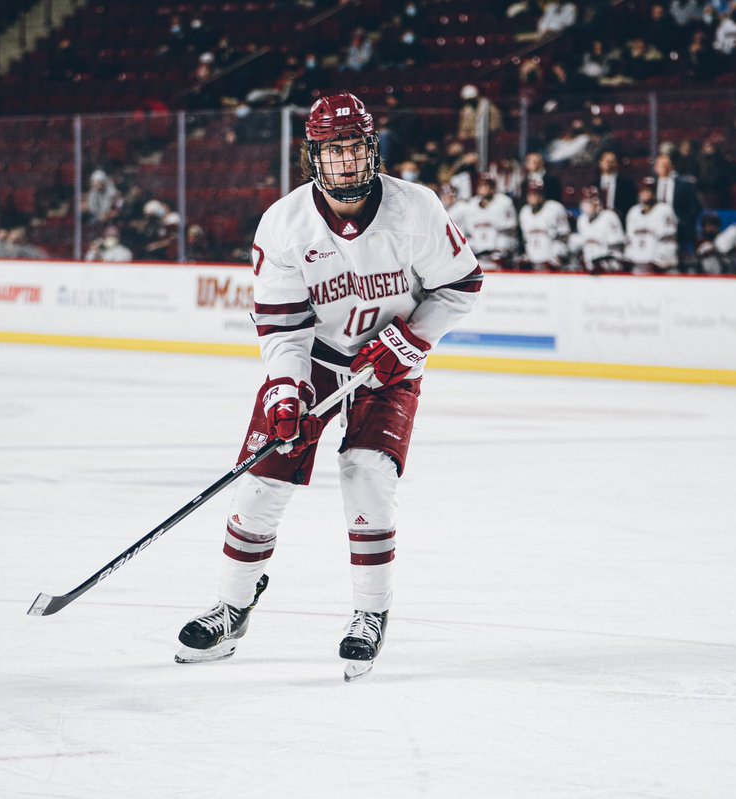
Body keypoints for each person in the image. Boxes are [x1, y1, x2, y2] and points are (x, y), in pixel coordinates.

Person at [175, 93, 482, 681]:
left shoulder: (415, 209)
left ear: (372, 150)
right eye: (334, 150)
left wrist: (413, 342)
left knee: (368, 476)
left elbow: (462, 284)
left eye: (355, 147)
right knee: (261, 483)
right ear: (313, 155)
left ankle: (370, 613)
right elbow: (282, 326)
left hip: (389, 363)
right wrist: (286, 390)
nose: (346, 160)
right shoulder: (284, 223)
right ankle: (232, 607)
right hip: (314, 359)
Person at [457, 172, 518, 271]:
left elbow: (512, 225)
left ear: (493, 187)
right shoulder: (471, 205)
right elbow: (469, 229)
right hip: (478, 253)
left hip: (499, 254)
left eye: (488, 185)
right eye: (482, 185)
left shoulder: (504, 202)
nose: (485, 188)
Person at [652, 154, 702, 268]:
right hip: (655, 232)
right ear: (655, 168)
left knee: (685, 265)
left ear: (672, 167)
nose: (664, 167)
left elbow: (695, 207)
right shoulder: (651, 187)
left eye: (666, 164)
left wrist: (683, 222)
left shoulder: (684, 185)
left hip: (681, 231)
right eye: (661, 165)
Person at [625, 177, 679, 274]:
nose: (645, 193)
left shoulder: (664, 210)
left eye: (649, 190)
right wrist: (629, 260)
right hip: (638, 267)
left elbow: (668, 242)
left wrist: (658, 263)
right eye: (643, 190)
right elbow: (629, 241)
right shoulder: (633, 212)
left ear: (655, 192)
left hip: (661, 269)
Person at [517, 178, 570, 271]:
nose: (533, 197)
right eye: (531, 194)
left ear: (543, 194)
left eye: (536, 193)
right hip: (532, 263)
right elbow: (526, 240)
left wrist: (557, 257)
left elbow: (564, 237)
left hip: (552, 264)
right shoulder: (524, 212)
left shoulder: (555, 208)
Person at [572, 186, 625, 273]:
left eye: (590, 201)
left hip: (607, 267)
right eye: (585, 201)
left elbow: (617, 248)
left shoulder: (609, 216)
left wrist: (604, 263)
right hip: (589, 266)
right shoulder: (582, 220)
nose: (586, 204)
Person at [596, 150, 636, 221]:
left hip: (618, 220)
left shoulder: (626, 184)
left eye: (612, 161)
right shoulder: (594, 184)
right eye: (607, 161)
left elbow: (630, 206)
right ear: (600, 163)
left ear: (616, 164)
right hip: (598, 221)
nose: (609, 163)